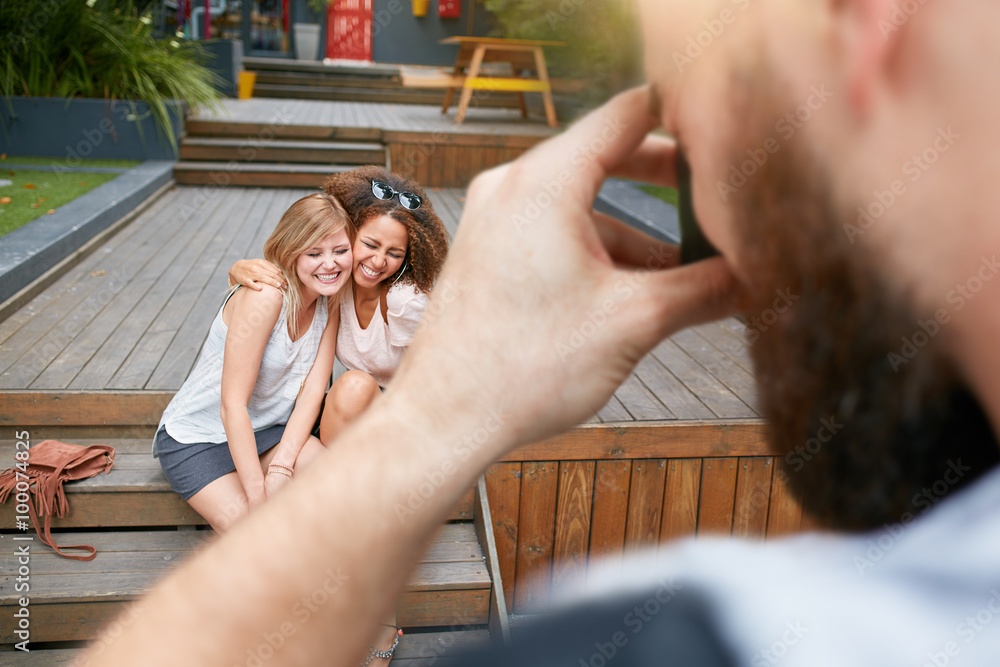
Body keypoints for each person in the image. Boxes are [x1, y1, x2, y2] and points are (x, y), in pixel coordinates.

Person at [83, 0, 1000, 664]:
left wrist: (436, 413)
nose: (702, 202)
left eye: (683, 109)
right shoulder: (290, 286)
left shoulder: (676, 633)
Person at [153, 193, 352, 532]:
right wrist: (259, 497)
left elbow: (313, 391)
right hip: (199, 437)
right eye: (314, 253)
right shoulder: (266, 297)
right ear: (290, 252)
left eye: (340, 251)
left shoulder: (329, 301)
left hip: (268, 435)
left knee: (338, 489)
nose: (330, 264)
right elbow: (232, 405)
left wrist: (281, 468)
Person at [228, 166, 450, 444]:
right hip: (350, 408)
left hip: (406, 412)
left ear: (408, 258)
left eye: (394, 253)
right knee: (344, 390)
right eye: (370, 244)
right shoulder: (335, 282)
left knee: (353, 386)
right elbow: (289, 265)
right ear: (348, 234)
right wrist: (238, 268)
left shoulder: (403, 302)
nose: (379, 261)